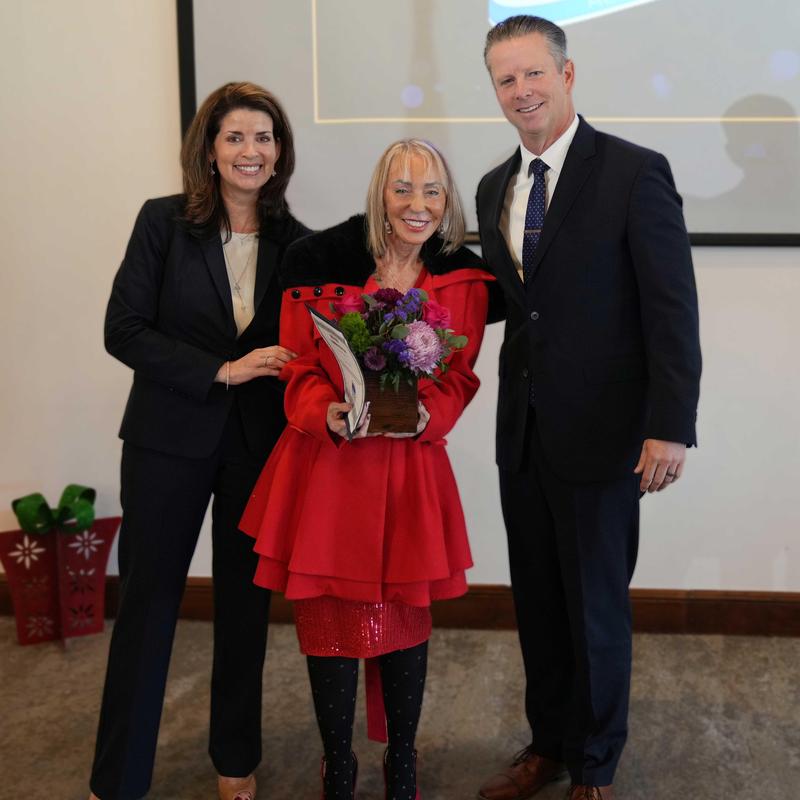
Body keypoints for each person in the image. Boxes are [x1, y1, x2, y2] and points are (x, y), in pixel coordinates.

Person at [475, 16, 701, 800]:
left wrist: (670, 425)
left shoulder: (635, 173)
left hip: (606, 438)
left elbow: (671, 308)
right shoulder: (491, 185)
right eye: (506, 80)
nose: (522, 91)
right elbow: (520, 303)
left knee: (595, 609)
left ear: (568, 76)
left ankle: (595, 765)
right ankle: (549, 745)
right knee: (537, 603)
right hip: (524, 437)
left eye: (534, 74)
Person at [238, 138, 494, 800]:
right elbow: (294, 367)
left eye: (432, 190)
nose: (418, 204)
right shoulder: (319, 264)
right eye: (402, 188)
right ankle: (339, 764)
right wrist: (323, 410)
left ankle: (402, 762)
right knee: (328, 620)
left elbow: (459, 378)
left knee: (404, 618)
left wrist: (422, 418)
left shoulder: (462, 278)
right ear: (380, 194)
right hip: (329, 471)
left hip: (409, 470)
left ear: (449, 201)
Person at [90, 82, 310, 800]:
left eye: (265, 138)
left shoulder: (298, 243)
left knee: (245, 609)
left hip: (258, 447)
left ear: (280, 153)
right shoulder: (162, 224)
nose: (252, 151)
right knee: (149, 604)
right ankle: (117, 779)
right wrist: (221, 369)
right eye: (236, 137)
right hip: (166, 440)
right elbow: (123, 330)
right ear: (209, 152)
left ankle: (235, 762)